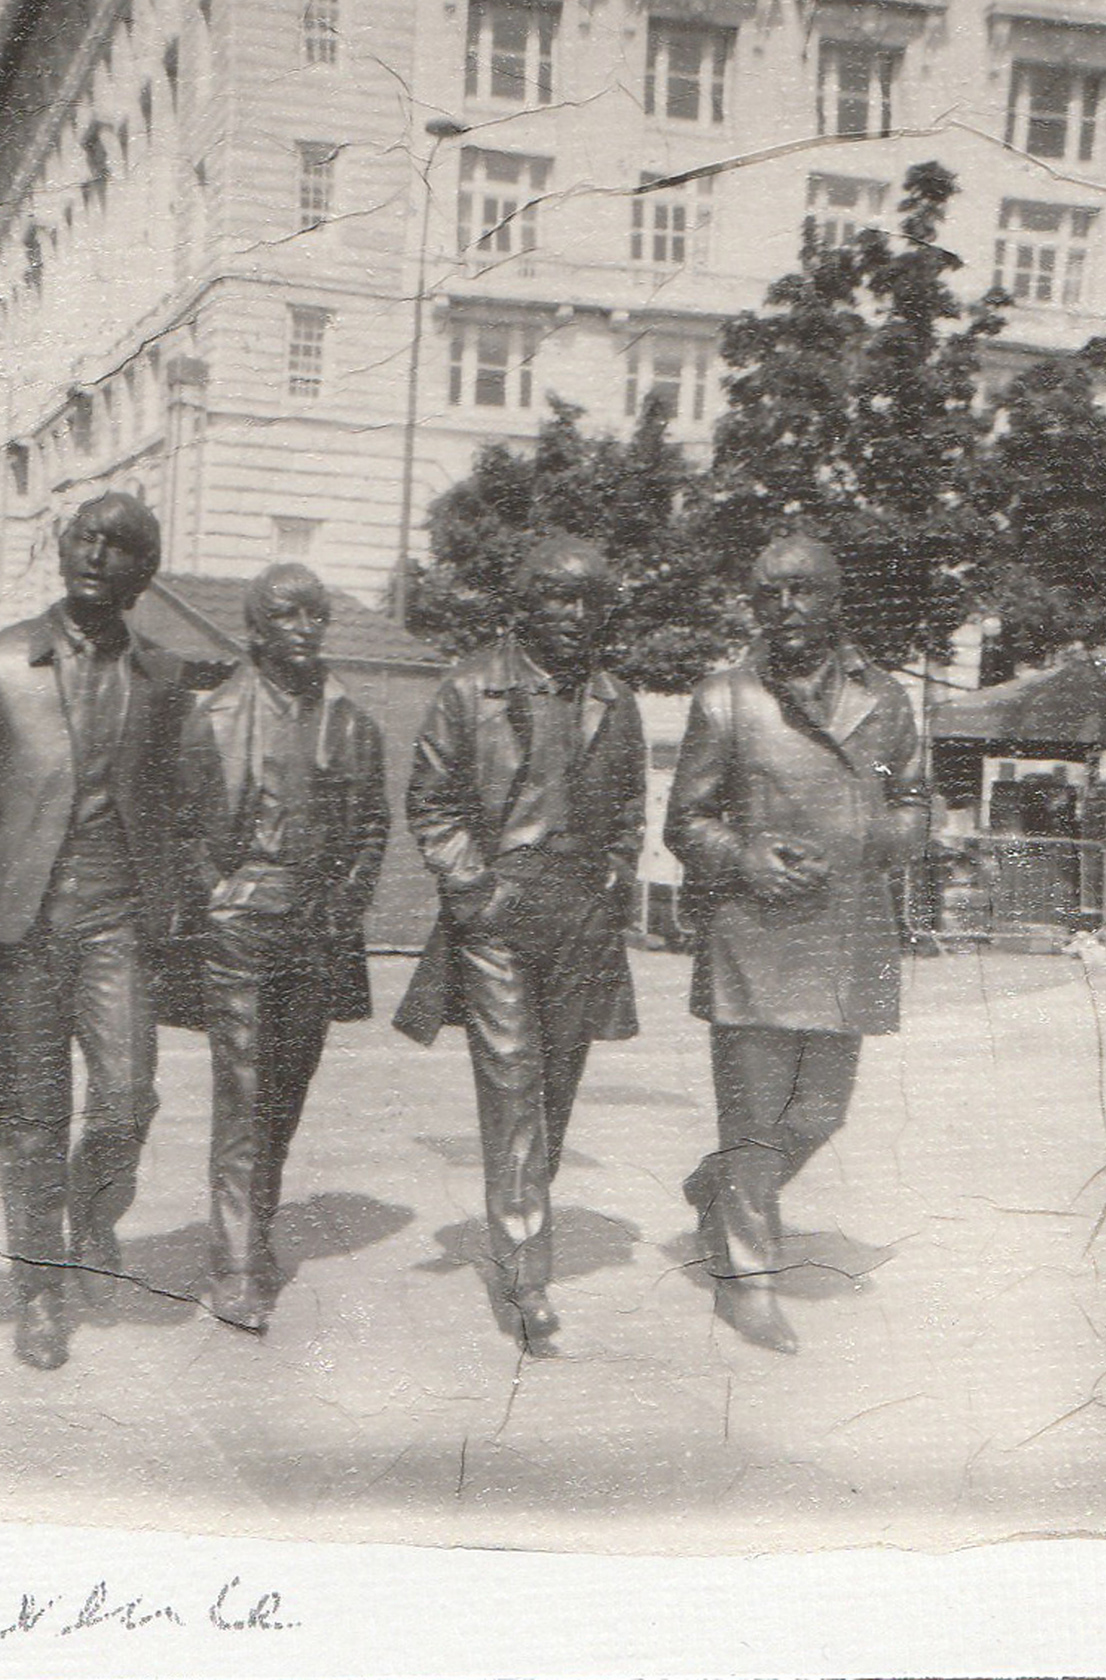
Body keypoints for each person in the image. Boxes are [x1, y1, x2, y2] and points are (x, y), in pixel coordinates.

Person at [0, 494, 224, 1370]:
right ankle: (39, 1292)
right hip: (20, 924)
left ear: (144, 572)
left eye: (120, 544)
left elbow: (184, 799)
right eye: (84, 538)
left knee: (128, 1099)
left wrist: (193, 889)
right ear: (61, 550)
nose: (97, 553)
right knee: (33, 1119)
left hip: (116, 922)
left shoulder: (163, 680)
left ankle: (92, 1216)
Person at [664, 532, 929, 1355]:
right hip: (755, 933)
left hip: (848, 933)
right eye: (770, 595)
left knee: (819, 1112)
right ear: (755, 607)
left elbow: (918, 804)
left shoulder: (884, 698)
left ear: (834, 598)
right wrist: (744, 856)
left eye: (804, 591)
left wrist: (879, 836)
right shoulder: (725, 699)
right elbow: (686, 820)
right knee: (753, 1116)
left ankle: (720, 1190)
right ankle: (749, 1283)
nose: (787, 609)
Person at [394, 536, 644, 1349]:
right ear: (525, 601)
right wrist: (475, 889)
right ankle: (526, 1273)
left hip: (581, 917)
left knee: (555, 1092)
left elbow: (631, 810)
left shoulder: (617, 697)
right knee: (513, 1086)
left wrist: (612, 873)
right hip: (500, 913)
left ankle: (522, 1228)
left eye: (588, 600)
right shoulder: (470, 687)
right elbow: (431, 803)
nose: (573, 615)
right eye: (557, 597)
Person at [193, 564, 388, 1333]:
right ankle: (236, 1264)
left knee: (284, 1090)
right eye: (289, 614)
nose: (306, 627)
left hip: (316, 925)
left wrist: (344, 904)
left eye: (318, 613)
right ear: (256, 627)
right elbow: (182, 825)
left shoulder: (351, 721)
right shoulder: (212, 715)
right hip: (240, 922)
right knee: (241, 1087)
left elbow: (373, 827)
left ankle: (253, 1227)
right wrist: (217, 897)